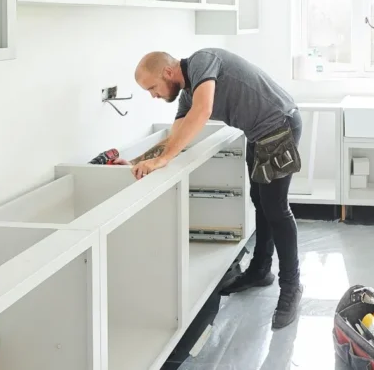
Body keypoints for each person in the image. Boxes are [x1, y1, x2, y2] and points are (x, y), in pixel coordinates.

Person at [118, 48, 304, 329]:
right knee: (260, 202)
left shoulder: (202, 61)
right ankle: (260, 270)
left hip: (280, 126)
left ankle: (292, 286)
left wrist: (165, 159)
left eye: (152, 88)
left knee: (276, 209)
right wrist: (137, 161)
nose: (153, 96)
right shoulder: (188, 95)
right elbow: (176, 136)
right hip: (259, 134)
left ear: (168, 72)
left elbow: (203, 111)